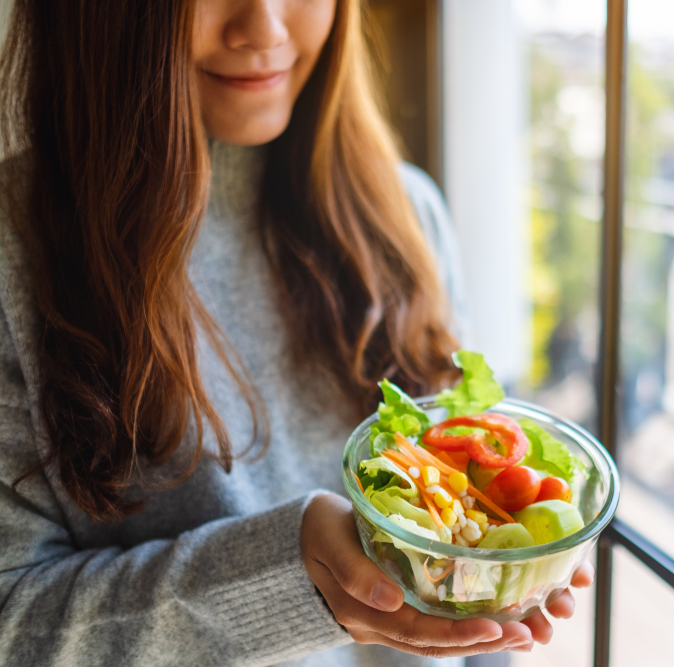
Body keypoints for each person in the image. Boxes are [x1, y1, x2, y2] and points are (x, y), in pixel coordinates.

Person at [0, 1, 592, 665]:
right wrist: (285, 572)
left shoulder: (409, 213)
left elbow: (479, 601)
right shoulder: (14, 257)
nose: (265, 30)